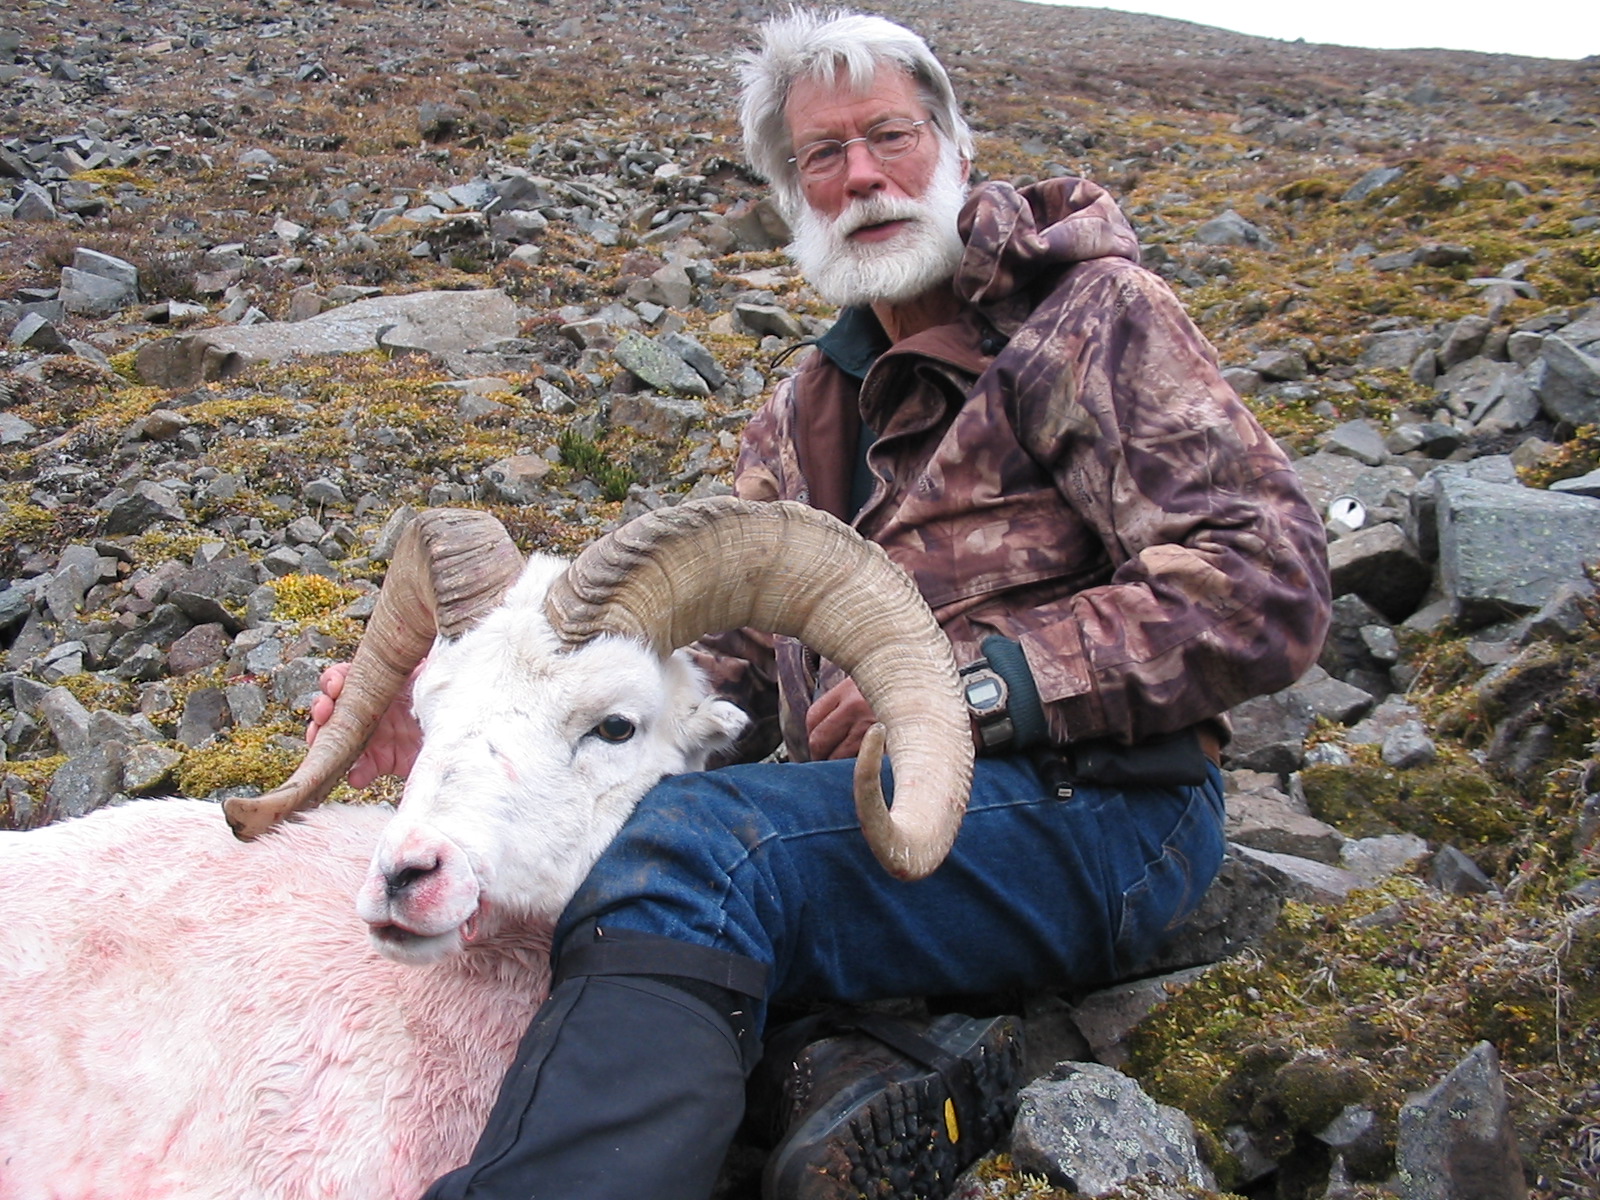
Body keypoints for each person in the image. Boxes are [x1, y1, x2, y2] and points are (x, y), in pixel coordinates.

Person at [310, 10, 1331, 1199]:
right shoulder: (801, 414)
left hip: (1100, 810)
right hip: (879, 814)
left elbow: (1265, 575)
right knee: (621, 836)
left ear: (953, 143)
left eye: (889, 136)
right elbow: (712, 671)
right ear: (788, 192)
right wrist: (464, 711)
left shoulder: (1091, 319)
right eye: (820, 157)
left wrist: (983, 683)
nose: (860, 176)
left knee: (695, 854)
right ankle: (858, 1068)